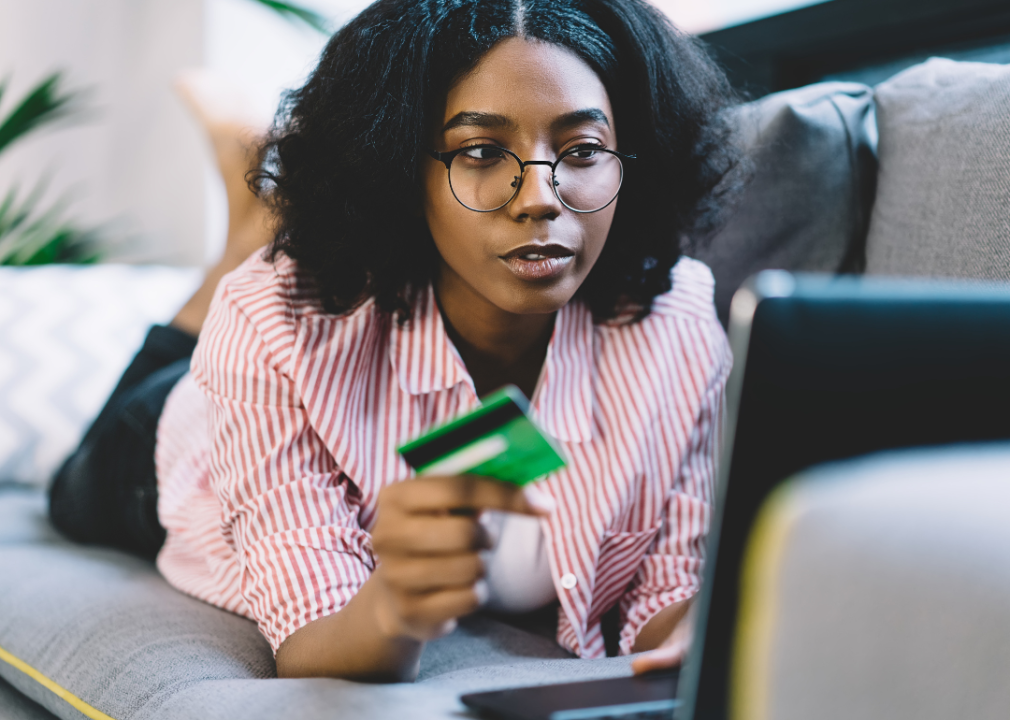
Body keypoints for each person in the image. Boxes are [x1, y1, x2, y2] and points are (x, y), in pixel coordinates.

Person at [50, 0, 740, 684]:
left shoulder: (675, 324)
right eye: (480, 151)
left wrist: (696, 632)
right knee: (70, 491)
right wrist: (394, 608)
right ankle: (248, 229)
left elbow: (667, 591)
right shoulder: (275, 323)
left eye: (583, 150)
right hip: (182, 440)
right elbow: (313, 635)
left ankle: (259, 215)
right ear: (404, 170)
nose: (539, 198)